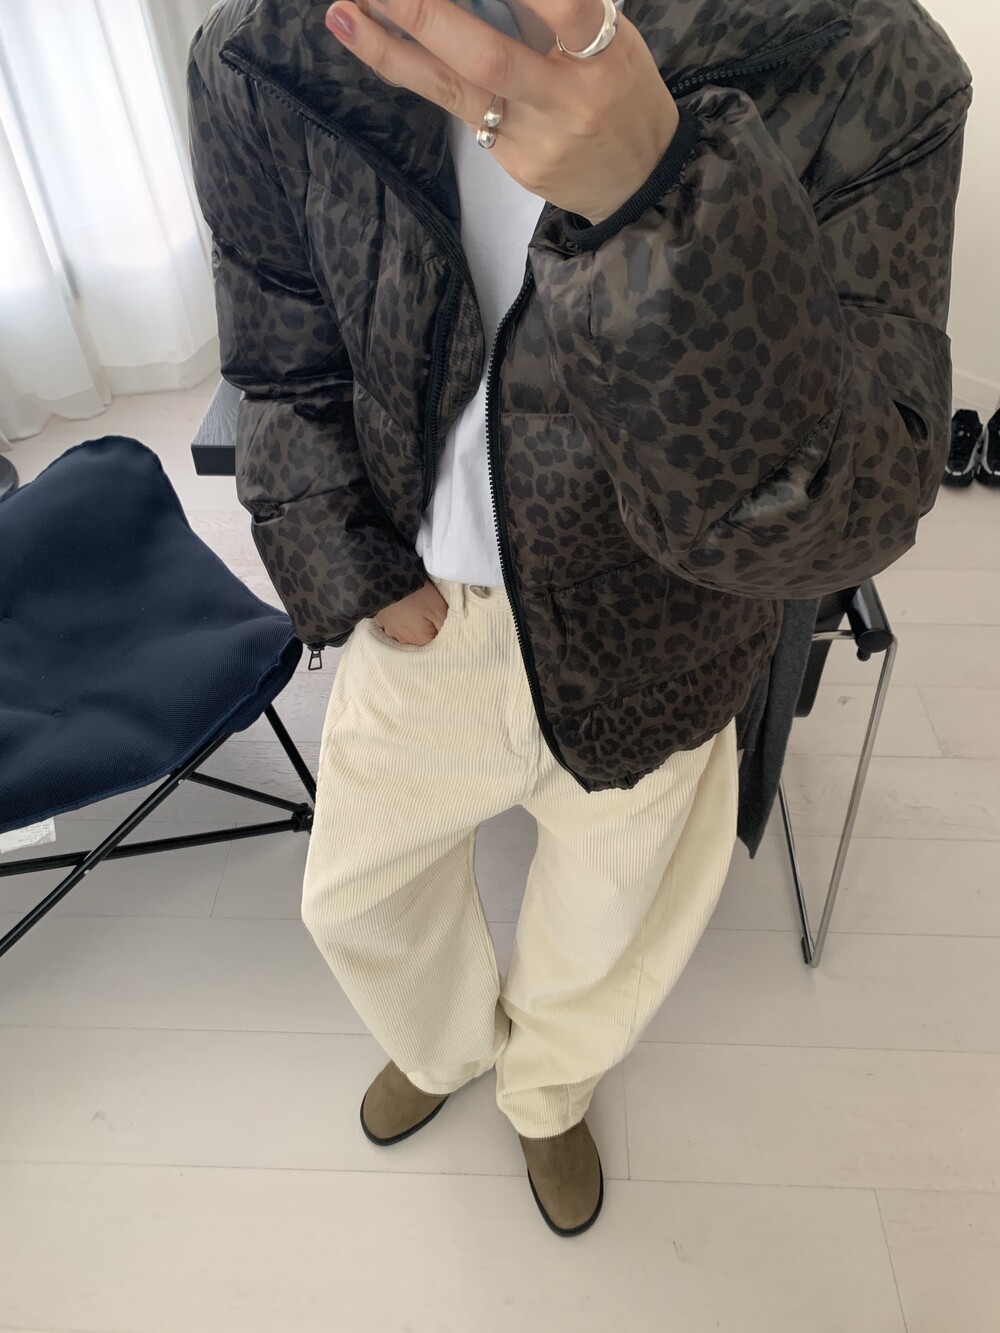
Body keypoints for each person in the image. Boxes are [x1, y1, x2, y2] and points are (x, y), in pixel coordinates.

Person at [188, 0, 971, 1237]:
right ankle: (444, 1047)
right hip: (425, 610)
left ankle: (547, 1089)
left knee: (610, 921)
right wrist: (348, 566)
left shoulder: (861, 52)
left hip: (662, 627)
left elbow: (849, 514)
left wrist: (664, 199)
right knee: (355, 898)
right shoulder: (268, 44)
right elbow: (280, 348)